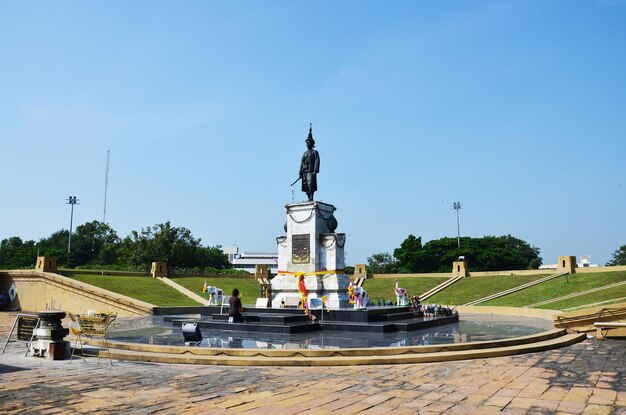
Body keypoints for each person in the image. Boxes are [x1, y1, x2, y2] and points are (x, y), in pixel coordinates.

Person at [299, 124, 320, 202]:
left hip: (311, 171)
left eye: (309, 142)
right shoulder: (304, 153)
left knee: (310, 184)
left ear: (312, 143)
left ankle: (311, 196)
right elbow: (301, 163)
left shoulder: (315, 152)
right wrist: (300, 172)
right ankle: (308, 196)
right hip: (305, 171)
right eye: (307, 143)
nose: (308, 144)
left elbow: (317, 161)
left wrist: (315, 170)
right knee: (305, 185)